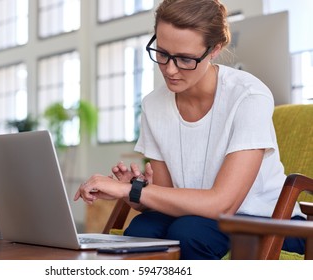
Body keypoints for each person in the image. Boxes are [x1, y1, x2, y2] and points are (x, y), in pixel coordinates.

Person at [74, 0, 306, 259]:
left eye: (185, 59)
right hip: (197, 219)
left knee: (189, 232)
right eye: (162, 53)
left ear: (215, 49)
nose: (170, 69)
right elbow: (165, 197)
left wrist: (133, 191)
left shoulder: (249, 96)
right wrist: (135, 194)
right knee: (143, 228)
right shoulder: (153, 105)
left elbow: (224, 204)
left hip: (270, 223)